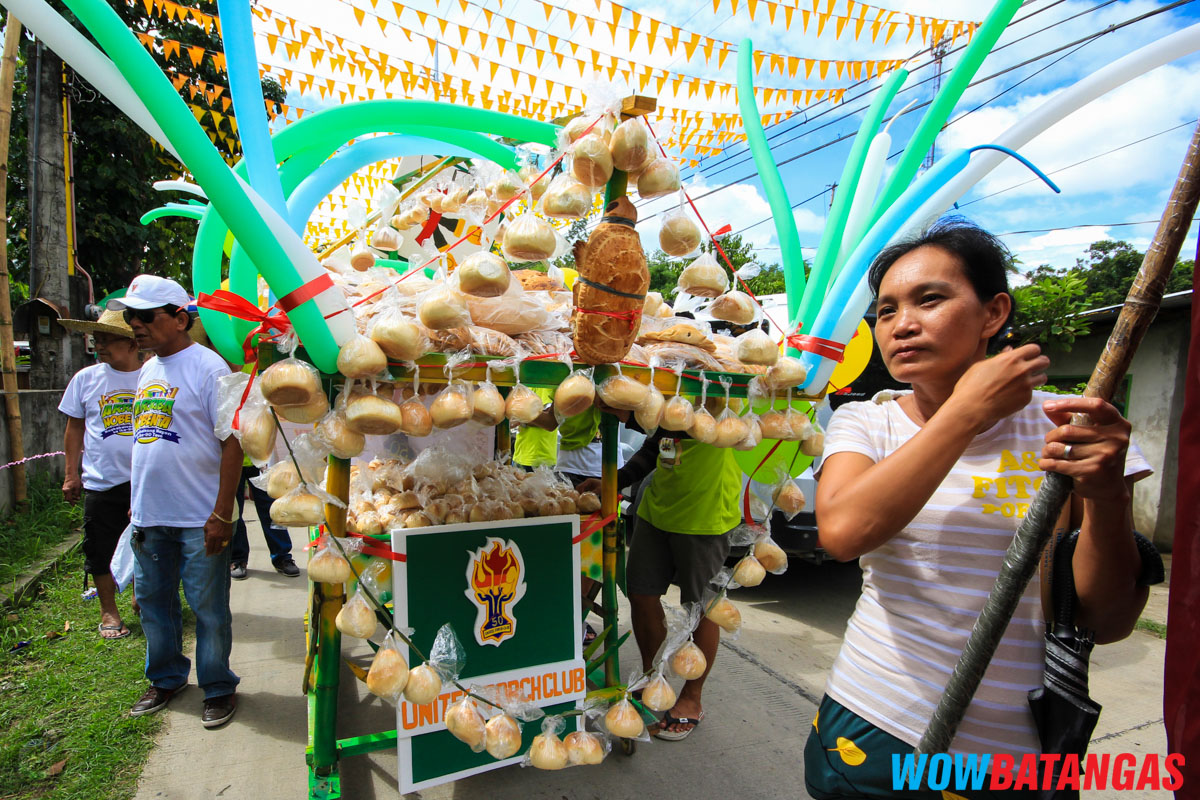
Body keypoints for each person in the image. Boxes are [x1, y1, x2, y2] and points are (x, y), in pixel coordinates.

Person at [804, 220, 1155, 797]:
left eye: (930, 299)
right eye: (886, 311)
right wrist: (964, 413)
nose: (901, 325)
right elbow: (843, 533)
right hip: (875, 720)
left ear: (993, 314)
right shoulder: (867, 420)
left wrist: (1107, 494)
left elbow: (1108, 620)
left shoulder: (1071, 428)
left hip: (1012, 754)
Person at [114, 275, 244, 729]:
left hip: (198, 516)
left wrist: (221, 513)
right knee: (153, 602)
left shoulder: (210, 369)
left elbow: (233, 443)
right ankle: (167, 678)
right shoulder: (147, 370)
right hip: (151, 516)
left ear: (180, 318)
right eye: (131, 316)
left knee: (208, 607)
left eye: (146, 316)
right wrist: (137, 502)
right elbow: (145, 439)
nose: (135, 325)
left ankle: (218, 686)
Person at [580, 403, 743, 742]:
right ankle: (654, 679)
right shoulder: (660, 399)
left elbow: (681, 429)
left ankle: (692, 699)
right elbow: (659, 445)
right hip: (657, 511)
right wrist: (617, 479)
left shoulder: (711, 397)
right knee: (641, 594)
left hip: (705, 514)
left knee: (702, 610)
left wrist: (635, 413)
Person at [58, 309, 143, 639]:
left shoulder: (153, 376)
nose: (99, 346)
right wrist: (70, 474)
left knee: (147, 543)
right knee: (100, 547)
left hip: (145, 481)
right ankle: (109, 611)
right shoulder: (86, 379)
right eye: (97, 340)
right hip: (102, 480)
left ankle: (141, 595)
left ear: (132, 343)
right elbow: (74, 427)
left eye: (107, 340)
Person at [229, 460, 299, 579]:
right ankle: (237, 559)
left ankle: (282, 556)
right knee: (233, 511)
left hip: (259, 459)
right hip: (231, 458)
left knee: (273, 510)